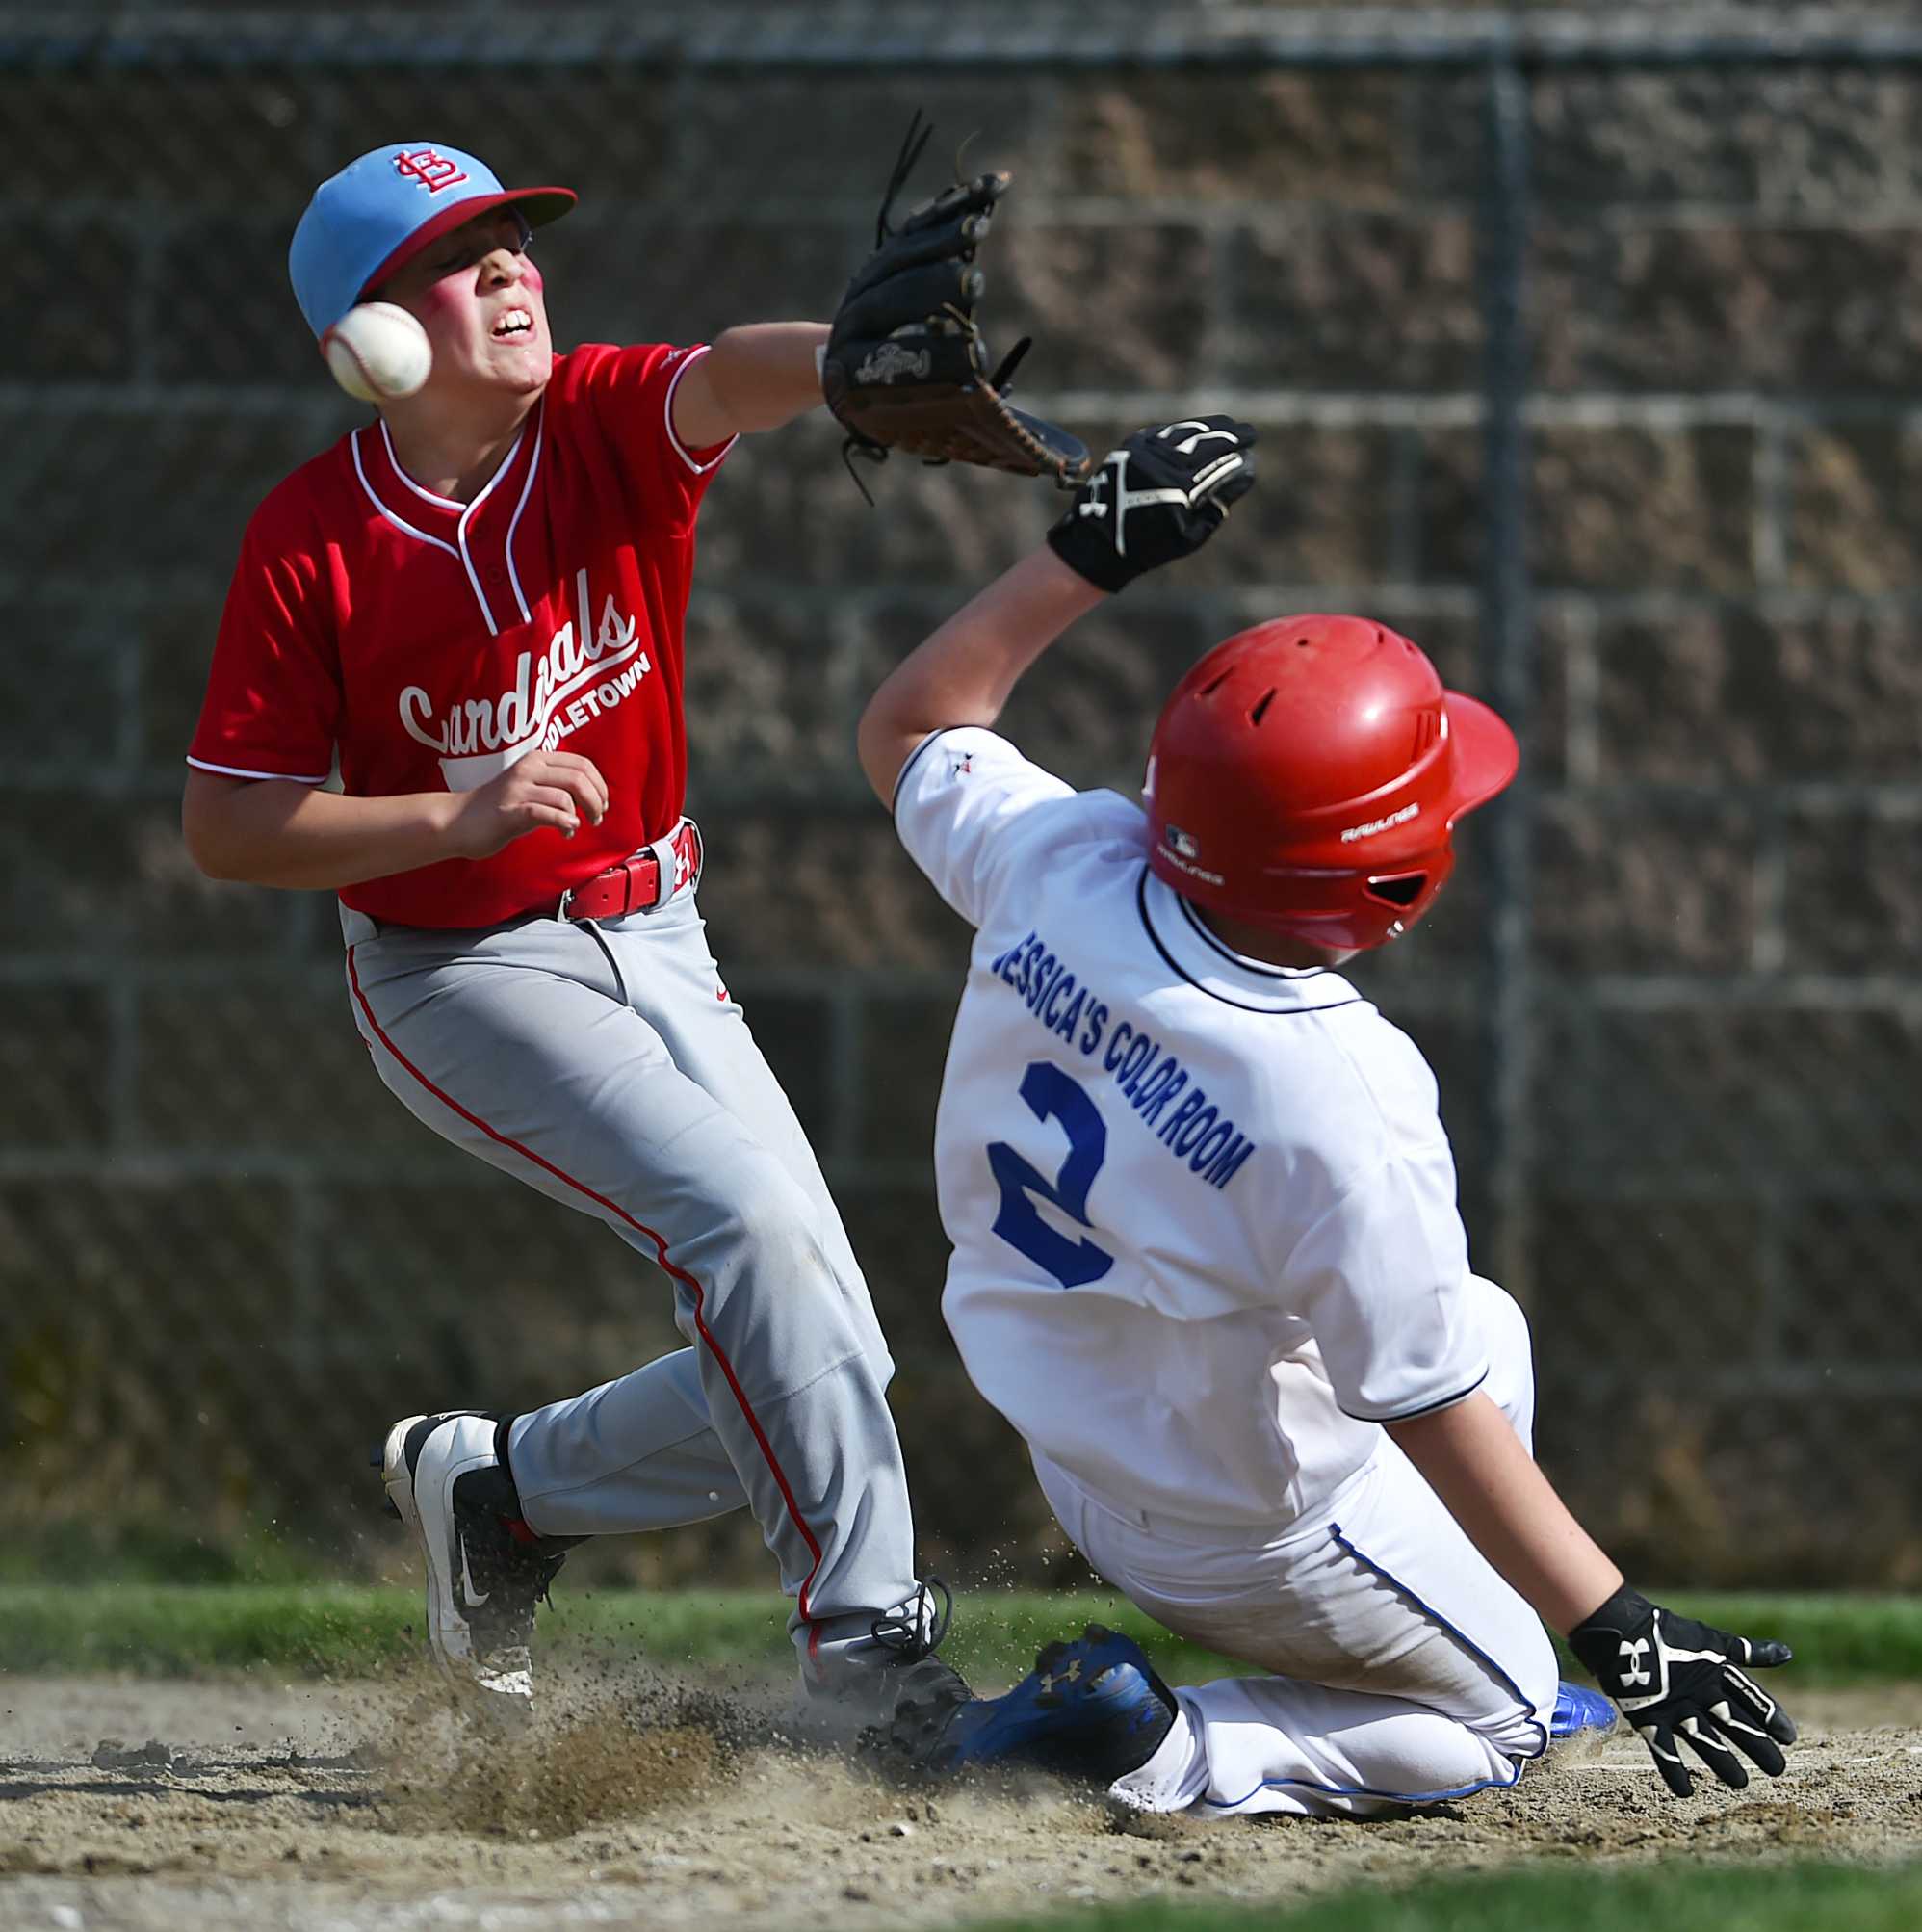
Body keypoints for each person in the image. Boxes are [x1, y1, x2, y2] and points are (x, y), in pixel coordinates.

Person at [853, 415, 1797, 1815]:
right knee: (1507, 1717)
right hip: (1249, 1529)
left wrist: (1087, 556)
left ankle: (1454, 1632)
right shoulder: (1340, 1091)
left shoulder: (1068, 856)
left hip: (1074, 1445)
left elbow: (914, 723)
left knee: (1483, 1322)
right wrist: (1624, 1624)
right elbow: (1421, 1406)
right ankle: (1162, 1746)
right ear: (1388, 890)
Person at [181, 141, 968, 1728]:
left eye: (517, 244)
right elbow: (230, 825)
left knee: (821, 1334)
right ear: (369, 342)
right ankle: (868, 1650)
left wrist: (839, 363)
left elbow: (723, 383)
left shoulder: (596, 422)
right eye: (462, 259)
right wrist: (446, 822)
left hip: (657, 922)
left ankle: (504, 1493)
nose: (514, 273)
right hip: (457, 968)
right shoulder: (311, 540)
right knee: (752, 1231)